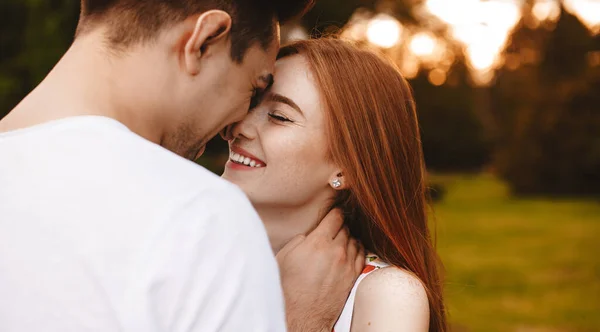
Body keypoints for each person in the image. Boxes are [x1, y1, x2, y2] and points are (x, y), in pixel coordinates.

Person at [0, 1, 364, 331]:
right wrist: (299, 320)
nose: (234, 124)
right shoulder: (199, 216)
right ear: (203, 41)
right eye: (254, 87)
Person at [221, 38, 448, 331]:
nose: (238, 126)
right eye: (251, 102)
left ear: (347, 167)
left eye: (279, 117)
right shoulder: (202, 261)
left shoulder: (386, 295)